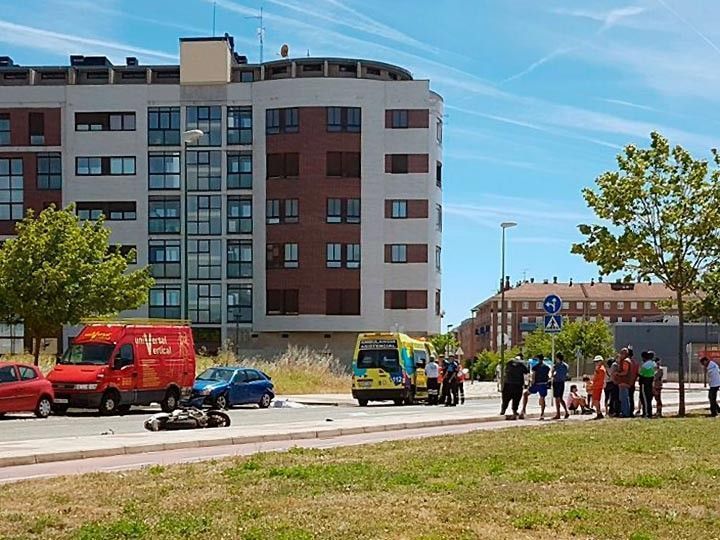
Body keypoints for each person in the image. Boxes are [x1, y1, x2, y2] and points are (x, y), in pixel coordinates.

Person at [520, 354, 551, 420]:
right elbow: (548, 376)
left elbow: (533, 377)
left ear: (538, 359)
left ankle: (523, 410)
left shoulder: (535, 367)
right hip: (544, 384)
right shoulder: (547, 367)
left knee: (525, 394)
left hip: (537, 384)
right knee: (542, 398)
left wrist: (531, 384)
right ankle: (542, 414)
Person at [500, 355, 528, 420]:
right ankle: (514, 411)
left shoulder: (509, 363)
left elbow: (505, 370)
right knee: (516, 399)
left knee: (505, 398)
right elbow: (526, 371)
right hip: (517, 385)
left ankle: (503, 410)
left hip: (508, 384)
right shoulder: (522, 365)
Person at [613, 348, 633, 418]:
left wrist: (617, 374)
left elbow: (625, 372)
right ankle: (625, 412)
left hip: (624, 382)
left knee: (624, 398)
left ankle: (625, 413)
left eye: (621, 353)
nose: (620, 354)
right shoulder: (625, 360)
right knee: (623, 398)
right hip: (623, 382)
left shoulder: (625, 361)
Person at [551, 352, 570, 420]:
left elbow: (552, 373)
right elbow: (566, 374)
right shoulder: (566, 365)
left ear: (558, 358)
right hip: (562, 382)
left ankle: (558, 414)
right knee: (560, 398)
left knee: (557, 399)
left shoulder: (556, 365)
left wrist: (553, 375)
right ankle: (566, 411)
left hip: (557, 382)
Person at [638, 351, 656, 419]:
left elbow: (641, 374)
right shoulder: (653, 364)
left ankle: (646, 413)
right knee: (649, 398)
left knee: (644, 398)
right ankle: (649, 412)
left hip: (644, 383)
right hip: (650, 382)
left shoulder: (645, 365)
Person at [591, 355, 607, 419]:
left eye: (597, 361)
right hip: (596, 386)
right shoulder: (598, 368)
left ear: (601, 361)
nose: (596, 363)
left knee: (596, 400)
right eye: (595, 361)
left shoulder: (600, 369)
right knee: (595, 400)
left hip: (598, 386)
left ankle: (599, 413)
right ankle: (598, 413)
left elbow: (597, 378)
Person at [628, 347, 640, 417]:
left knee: (626, 398)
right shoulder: (636, 363)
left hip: (627, 382)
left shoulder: (626, 362)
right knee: (631, 397)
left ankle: (627, 411)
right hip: (633, 383)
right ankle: (631, 411)